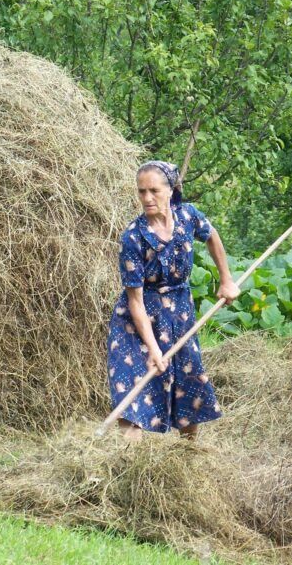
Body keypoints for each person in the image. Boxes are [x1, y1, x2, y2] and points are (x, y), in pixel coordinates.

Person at [107, 160, 240, 442]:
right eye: (141, 191)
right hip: (137, 323)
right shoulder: (133, 237)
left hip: (179, 314)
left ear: (171, 190)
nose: (146, 198)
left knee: (188, 385)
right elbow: (136, 302)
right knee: (131, 395)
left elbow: (211, 235)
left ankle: (190, 456)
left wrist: (226, 279)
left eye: (153, 190)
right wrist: (153, 348)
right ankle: (129, 469)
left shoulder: (188, 216)